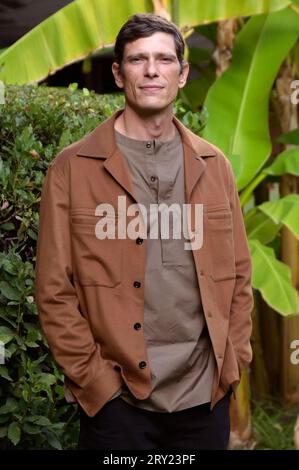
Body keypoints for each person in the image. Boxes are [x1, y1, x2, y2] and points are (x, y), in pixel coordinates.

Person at [35, 13, 254, 450]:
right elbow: (54, 291)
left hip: (203, 400)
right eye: (138, 60)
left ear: (182, 72)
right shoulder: (73, 169)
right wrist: (97, 386)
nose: (152, 70)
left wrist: (232, 364)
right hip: (119, 407)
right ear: (118, 73)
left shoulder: (214, 167)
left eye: (164, 59)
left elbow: (240, 277)